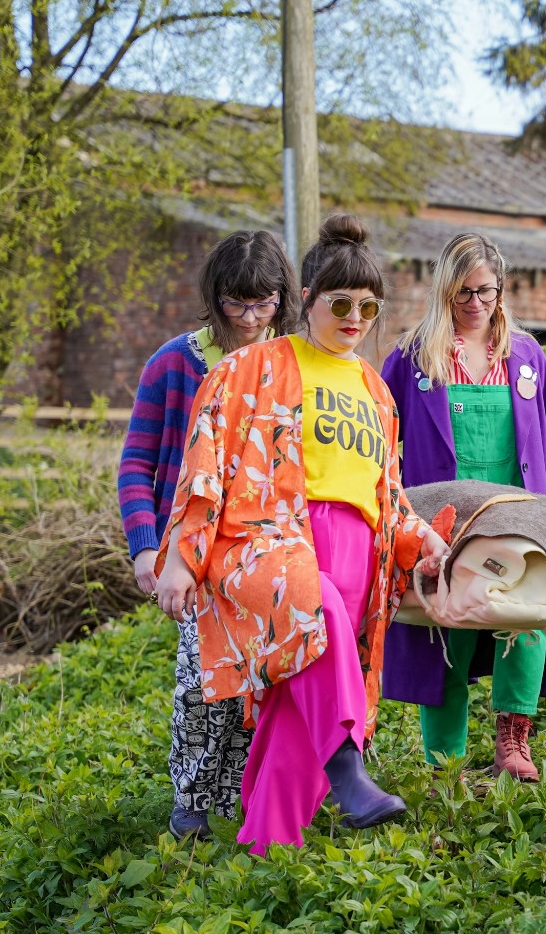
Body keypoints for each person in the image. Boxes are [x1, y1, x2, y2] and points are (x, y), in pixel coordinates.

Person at [152, 213, 449, 854]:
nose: (354, 318)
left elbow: (388, 494)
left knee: (299, 703)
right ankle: (349, 771)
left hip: (359, 551)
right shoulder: (253, 366)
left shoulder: (377, 392)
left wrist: (420, 537)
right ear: (307, 299)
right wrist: (180, 554)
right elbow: (205, 462)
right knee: (322, 622)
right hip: (275, 538)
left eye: (368, 308)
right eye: (340, 303)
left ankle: (267, 846)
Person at [380, 232, 546, 782]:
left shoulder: (525, 356)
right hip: (443, 523)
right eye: (463, 292)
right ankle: (444, 764)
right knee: (449, 629)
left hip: (517, 517)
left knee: (525, 621)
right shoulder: (413, 358)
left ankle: (514, 742)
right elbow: (379, 443)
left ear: (501, 290)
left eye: (485, 292)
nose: (475, 304)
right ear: (444, 291)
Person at [118, 230, 299, 841]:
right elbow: (136, 463)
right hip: (191, 553)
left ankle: (246, 801)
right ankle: (192, 807)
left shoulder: (292, 365)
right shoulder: (174, 364)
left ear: (282, 299)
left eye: (263, 304)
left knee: (263, 680)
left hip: (270, 549)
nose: (249, 319)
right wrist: (147, 545)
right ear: (213, 297)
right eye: (235, 303)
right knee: (202, 686)